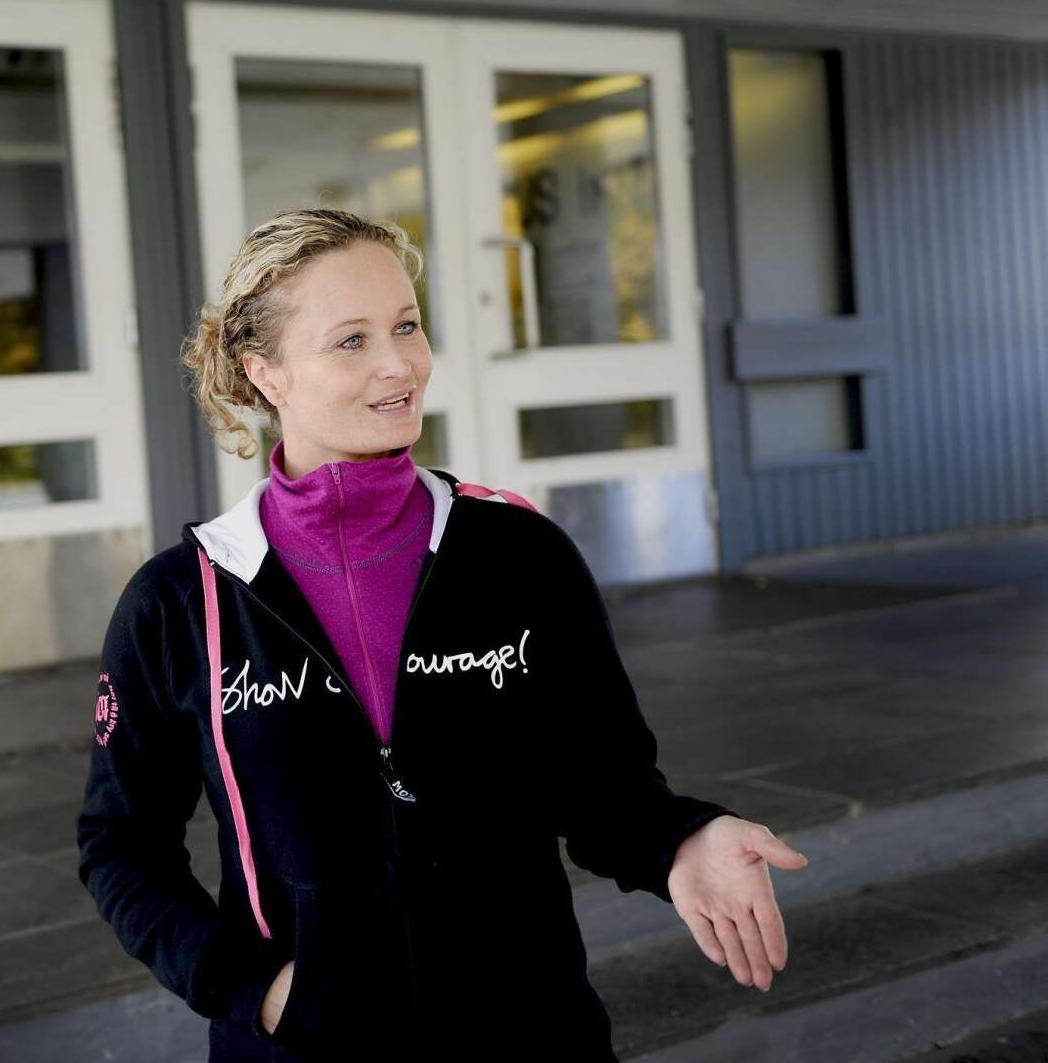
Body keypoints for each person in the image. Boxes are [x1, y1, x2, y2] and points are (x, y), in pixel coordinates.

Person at [75, 208, 809, 1061]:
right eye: (350, 340)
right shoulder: (181, 601)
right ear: (264, 372)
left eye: (406, 325)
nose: (398, 365)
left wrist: (679, 839)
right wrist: (258, 989)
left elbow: (603, 785)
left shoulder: (518, 553)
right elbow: (120, 844)